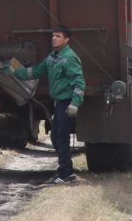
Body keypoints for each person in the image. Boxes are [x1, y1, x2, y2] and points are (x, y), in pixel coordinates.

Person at [11, 28, 86, 184]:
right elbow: (36, 71)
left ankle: (65, 174)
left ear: (67, 40)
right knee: (55, 137)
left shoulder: (69, 58)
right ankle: (66, 170)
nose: (54, 39)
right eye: (53, 36)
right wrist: (14, 71)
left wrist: (75, 104)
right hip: (58, 103)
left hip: (66, 103)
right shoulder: (52, 58)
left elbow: (79, 82)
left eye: (58, 36)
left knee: (61, 137)